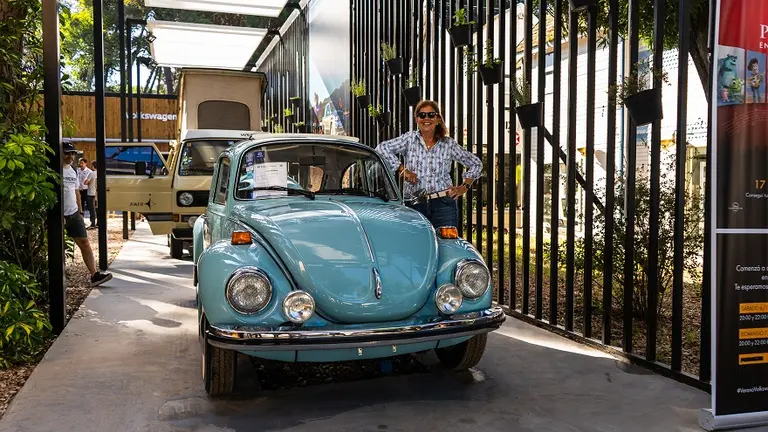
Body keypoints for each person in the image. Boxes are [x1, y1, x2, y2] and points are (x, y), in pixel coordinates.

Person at [375, 100, 482, 228]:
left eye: (431, 115)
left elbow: (476, 163)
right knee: (415, 244)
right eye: (422, 115)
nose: (427, 118)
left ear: (438, 119)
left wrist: (464, 186)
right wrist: (402, 169)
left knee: (446, 245)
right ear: (416, 119)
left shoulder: (448, 144)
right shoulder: (409, 140)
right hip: (414, 205)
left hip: (443, 205)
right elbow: (381, 148)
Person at [62, 141, 112, 287]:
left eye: (72, 153)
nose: (70, 156)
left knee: (85, 242)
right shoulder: (53, 170)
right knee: (60, 246)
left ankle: (94, 275)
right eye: (67, 153)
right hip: (59, 215)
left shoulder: (72, 171)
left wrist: (80, 210)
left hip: (74, 213)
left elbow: (76, 191)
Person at [85, 160, 97, 229]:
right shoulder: (100, 173)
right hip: (97, 193)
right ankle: (98, 223)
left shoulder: (91, 173)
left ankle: (92, 223)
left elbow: (86, 182)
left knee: (92, 209)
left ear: (93, 166)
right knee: (97, 208)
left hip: (91, 193)